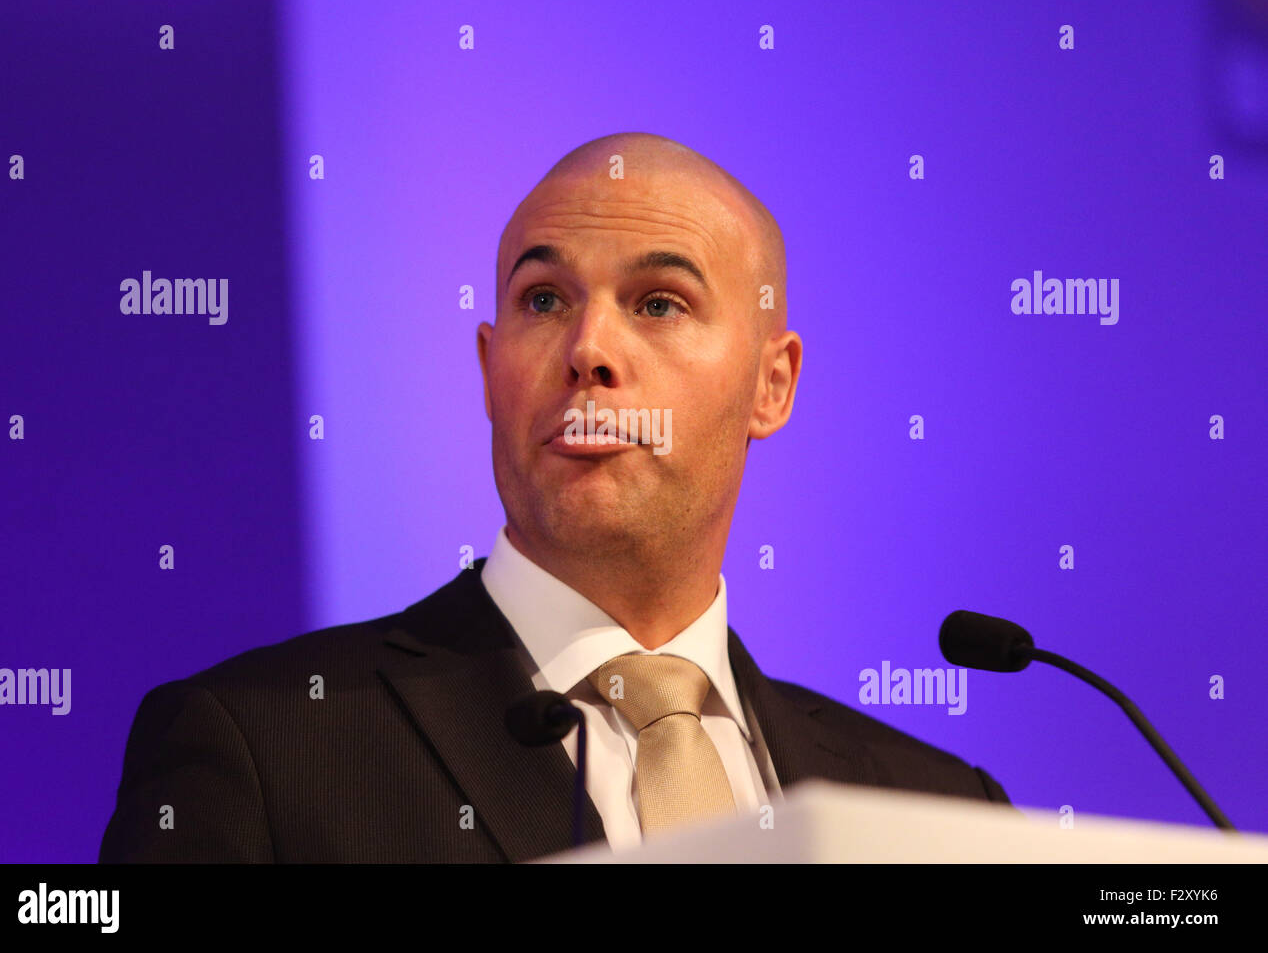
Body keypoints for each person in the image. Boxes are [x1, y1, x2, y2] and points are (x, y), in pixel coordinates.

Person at [99, 131, 1010, 863]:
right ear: (492, 374)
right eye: (544, 301)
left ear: (771, 386)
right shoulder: (265, 748)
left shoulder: (937, 809)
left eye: (658, 302)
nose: (588, 349)